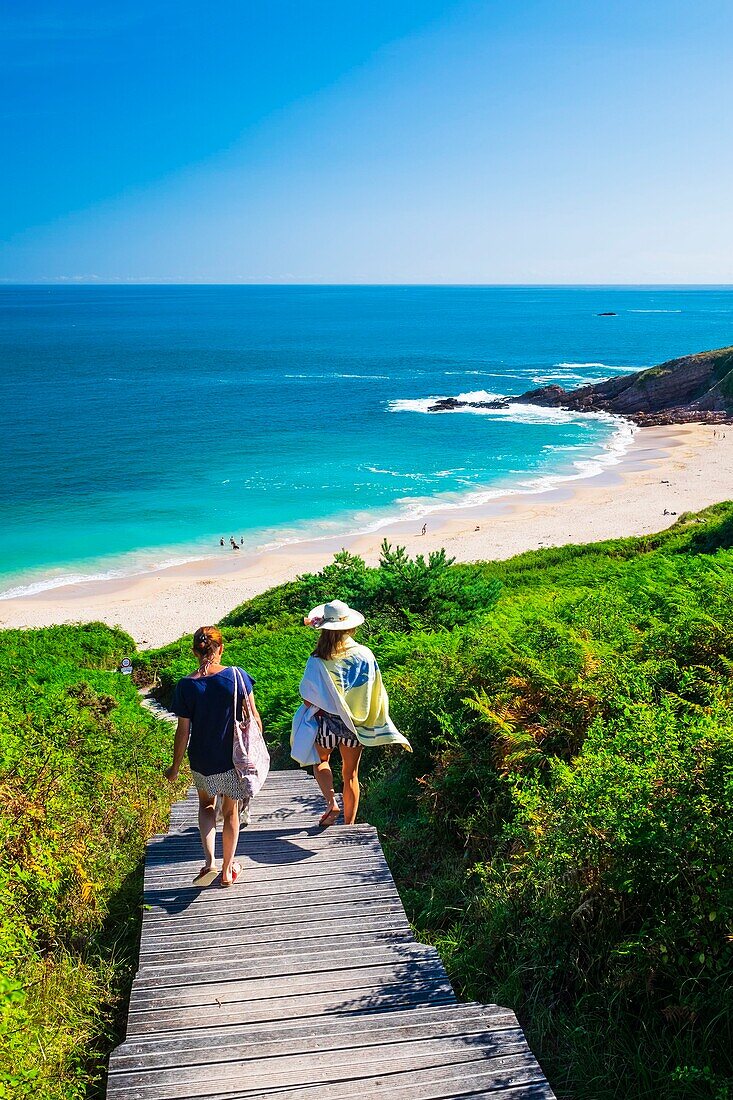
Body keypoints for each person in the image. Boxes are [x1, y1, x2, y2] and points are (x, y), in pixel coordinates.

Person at [291, 600, 411, 826]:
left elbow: (308, 697)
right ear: (350, 627)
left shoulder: (317, 658)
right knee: (351, 775)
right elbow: (374, 690)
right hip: (355, 726)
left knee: (321, 761)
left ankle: (331, 802)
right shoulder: (364, 655)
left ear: (324, 628)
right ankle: (349, 825)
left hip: (326, 723)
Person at [164, 625, 262, 887]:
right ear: (220, 648)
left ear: (195, 651)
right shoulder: (237, 676)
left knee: (206, 807)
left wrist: (174, 767)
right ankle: (228, 870)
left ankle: (210, 863)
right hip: (231, 758)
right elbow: (253, 717)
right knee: (231, 812)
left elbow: (182, 732)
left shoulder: (186, 685)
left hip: (201, 759)